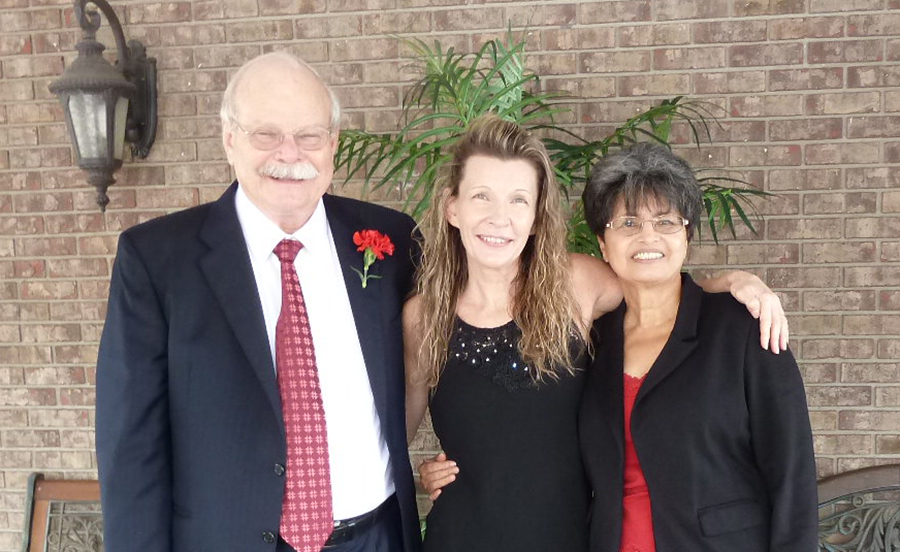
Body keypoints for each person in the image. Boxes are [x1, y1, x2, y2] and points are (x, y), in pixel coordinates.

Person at [406, 115, 790, 552]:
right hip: (461, 538)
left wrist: (734, 282)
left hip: (569, 538)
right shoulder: (423, 318)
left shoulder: (576, 283)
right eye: (481, 197)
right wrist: (424, 470)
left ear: (535, 217)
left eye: (518, 200)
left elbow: (655, 279)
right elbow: (390, 441)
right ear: (452, 207)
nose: (500, 218)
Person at [96, 52, 422, 552]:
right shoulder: (158, 261)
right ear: (230, 138)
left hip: (376, 538)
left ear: (333, 144)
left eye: (309, 136)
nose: (290, 154)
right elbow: (131, 448)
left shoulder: (391, 240)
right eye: (265, 134)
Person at [578, 142, 818, 552]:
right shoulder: (591, 341)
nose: (648, 236)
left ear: (687, 235)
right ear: (603, 243)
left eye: (666, 221)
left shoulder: (742, 328)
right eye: (629, 223)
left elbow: (791, 472)